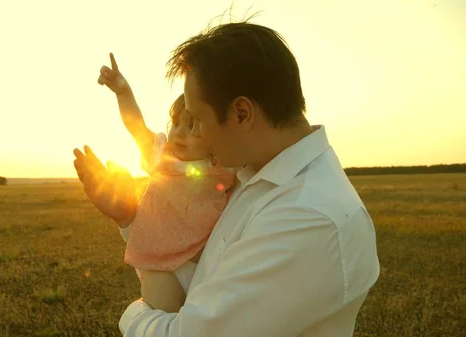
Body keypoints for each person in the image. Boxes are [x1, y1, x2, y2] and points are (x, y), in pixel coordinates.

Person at [73, 20, 380, 337]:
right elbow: (204, 277)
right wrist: (128, 217)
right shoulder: (254, 177)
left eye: (198, 120)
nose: (197, 135)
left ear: (242, 114)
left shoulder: (309, 218)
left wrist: (135, 314)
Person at [96, 53, 237, 313]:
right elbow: (135, 125)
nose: (179, 131)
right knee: (165, 318)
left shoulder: (223, 164)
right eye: (175, 123)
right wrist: (122, 92)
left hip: (204, 267)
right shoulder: (161, 156)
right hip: (160, 266)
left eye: (192, 124)